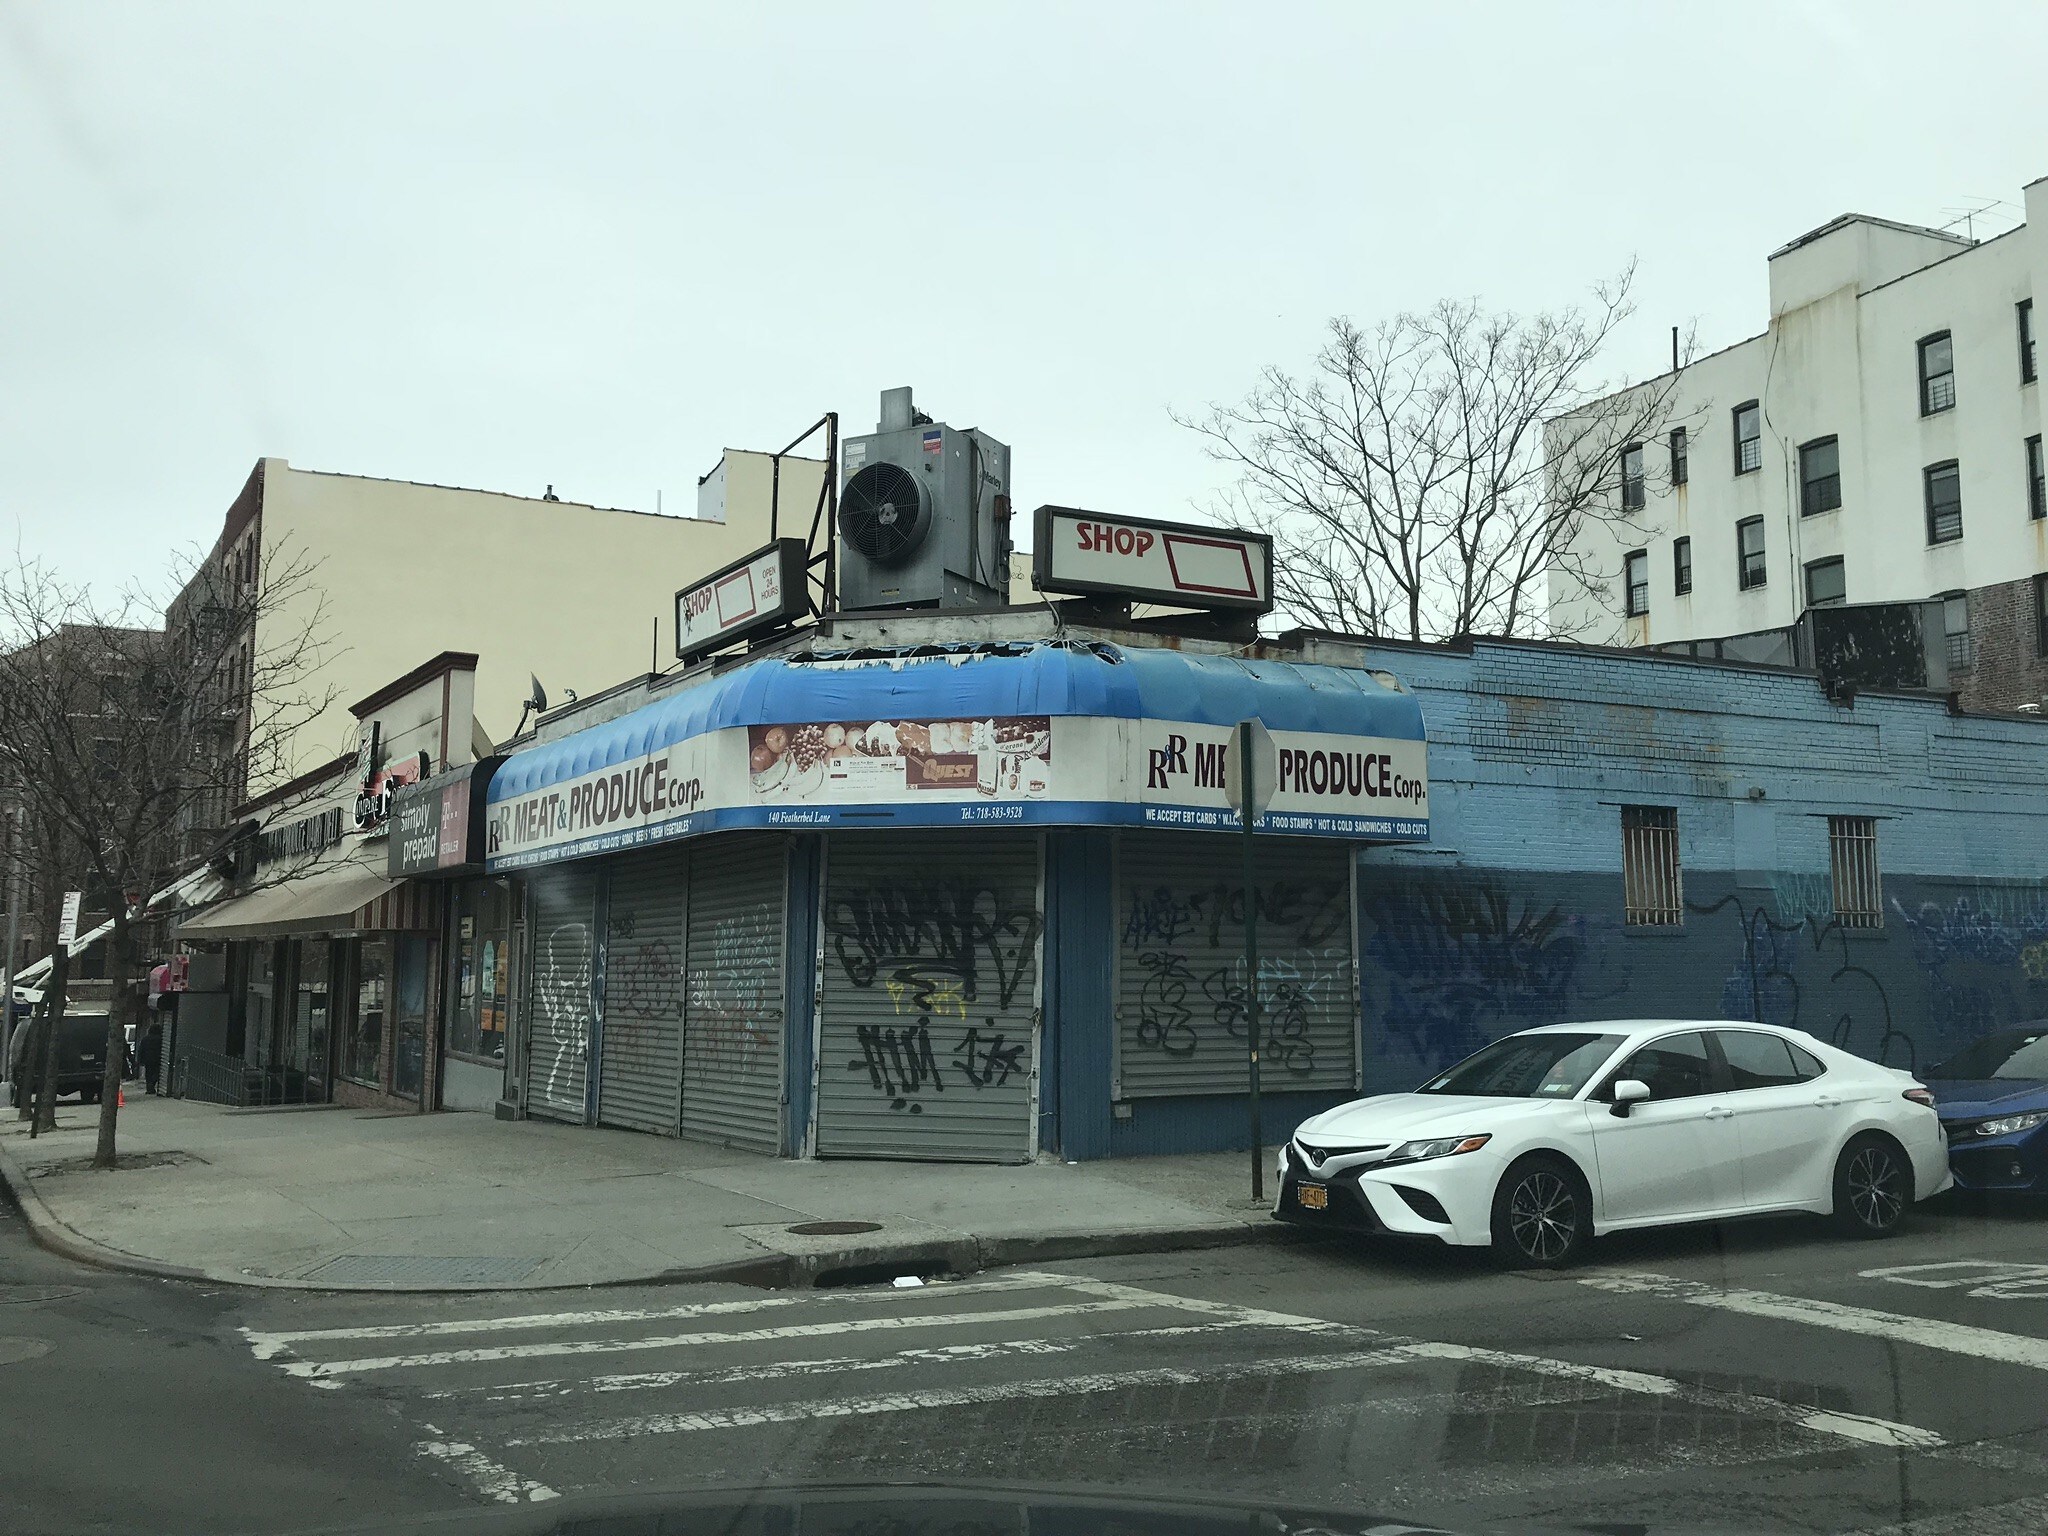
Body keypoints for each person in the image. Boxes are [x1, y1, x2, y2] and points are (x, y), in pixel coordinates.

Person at [139, 1014, 163, 1096]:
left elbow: (141, 1049)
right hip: (157, 1059)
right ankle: (152, 1085)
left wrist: (140, 1060)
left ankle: (149, 1087)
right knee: (156, 1073)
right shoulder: (160, 1039)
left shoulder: (145, 1039)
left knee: (148, 1073)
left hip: (147, 1059)